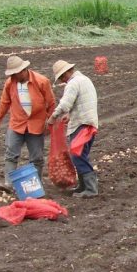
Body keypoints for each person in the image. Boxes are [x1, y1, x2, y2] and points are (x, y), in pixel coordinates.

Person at [0, 55, 55, 193]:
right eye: (12, 74)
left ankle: (36, 185)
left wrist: (49, 121)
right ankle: (8, 184)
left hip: (36, 123)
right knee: (11, 154)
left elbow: (51, 103)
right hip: (17, 123)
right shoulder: (10, 83)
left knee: (36, 157)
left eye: (16, 74)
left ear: (23, 70)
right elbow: (4, 102)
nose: (13, 76)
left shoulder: (41, 81)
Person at [47, 60, 99, 198]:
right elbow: (82, 101)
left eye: (62, 77)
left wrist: (53, 117)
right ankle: (82, 186)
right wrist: (70, 115)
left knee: (77, 155)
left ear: (67, 73)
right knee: (80, 154)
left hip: (82, 124)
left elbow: (65, 104)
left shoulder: (73, 83)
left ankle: (91, 189)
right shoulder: (85, 79)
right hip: (89, 122)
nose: (63, 80)